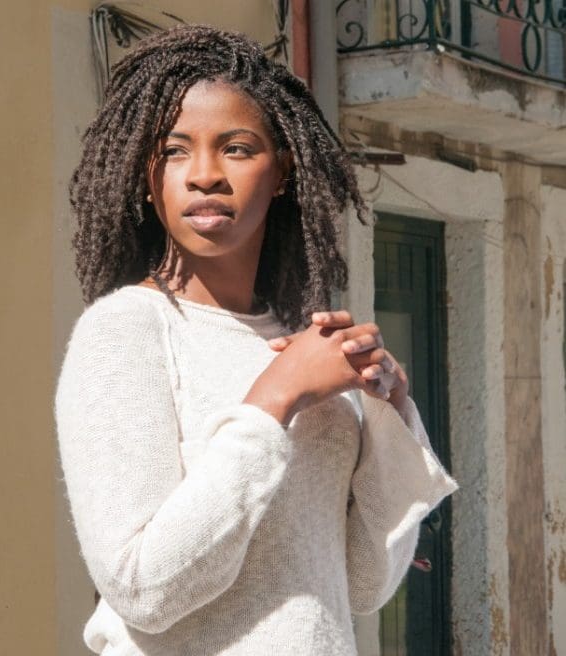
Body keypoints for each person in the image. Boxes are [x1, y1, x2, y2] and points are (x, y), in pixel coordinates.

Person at [55, 24, 458, 656]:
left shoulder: (303, 345)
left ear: (283, 171)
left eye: (238, 149)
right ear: (144, 173)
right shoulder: (125, 333)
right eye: (175, 150)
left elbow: (360, 584)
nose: (205, 175)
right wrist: (272, 403)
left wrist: (391, 414)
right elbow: (143, 589)